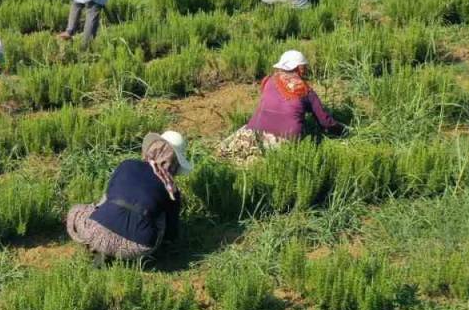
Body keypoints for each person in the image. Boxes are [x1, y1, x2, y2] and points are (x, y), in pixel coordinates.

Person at [66, 131, 192, 264]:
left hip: (96, 233)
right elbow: (171, 232)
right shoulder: (171, 189)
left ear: (151, 149)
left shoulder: (127, 164)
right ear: (174, 163)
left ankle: (100, 245)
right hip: (136, 248)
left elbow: (107, 197)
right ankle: (121, 252)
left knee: (77, 210)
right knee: (160, 214)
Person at [218, 50, 344, 162]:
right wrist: (342, 130)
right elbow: (325, 121)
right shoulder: (305, 91)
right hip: (284, 143)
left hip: (253, 134)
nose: (306, 70)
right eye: (304, 67)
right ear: (298, 68)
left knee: (227, 148)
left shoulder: (268, 80)